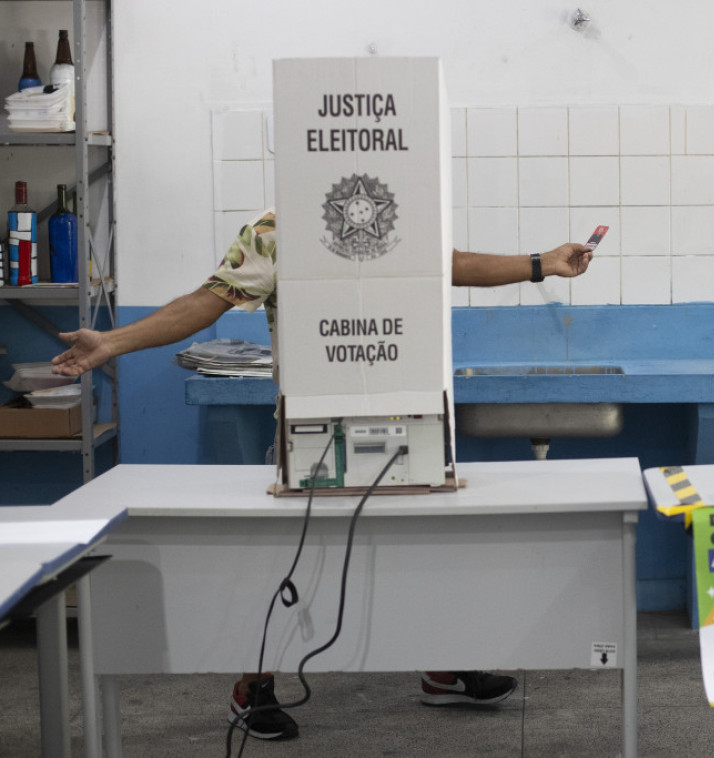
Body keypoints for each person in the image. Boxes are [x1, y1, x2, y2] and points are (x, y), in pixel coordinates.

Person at [52, 209, 594, 741]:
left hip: (404, 419)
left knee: (425, 546)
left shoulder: (399, 216)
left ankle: (444, 670)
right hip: (309, 429)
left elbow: (451, 264)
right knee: (284, 560)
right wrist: (113, 342)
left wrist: (542, 263)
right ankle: (252, 688)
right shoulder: (274, 232)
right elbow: (203, 303)